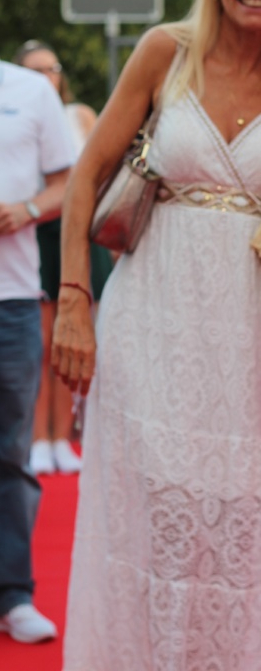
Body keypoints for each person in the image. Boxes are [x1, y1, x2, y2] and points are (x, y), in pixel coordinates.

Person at [51, 0, 261, 671]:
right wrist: (74, 300)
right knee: (146, 507)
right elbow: (86, 178)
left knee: (238, 511)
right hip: (148, 314)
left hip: (245, 329)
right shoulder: (164, 51)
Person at [12, 40, 113, 476]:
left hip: (80, 234)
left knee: (75, 342)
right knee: (41, 345)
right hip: (36, 235)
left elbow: (101, 173)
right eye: (35, 70)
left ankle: (65, 437)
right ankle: (38, 438)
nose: (46, 77)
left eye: (52, 68)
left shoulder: (80, 115)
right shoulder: (16, 115)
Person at [0, 58, 74, 642]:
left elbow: (69, 182)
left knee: (10, 455)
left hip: (13, 301)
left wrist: (25, 209)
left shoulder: (28, 89)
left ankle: (14, 595)